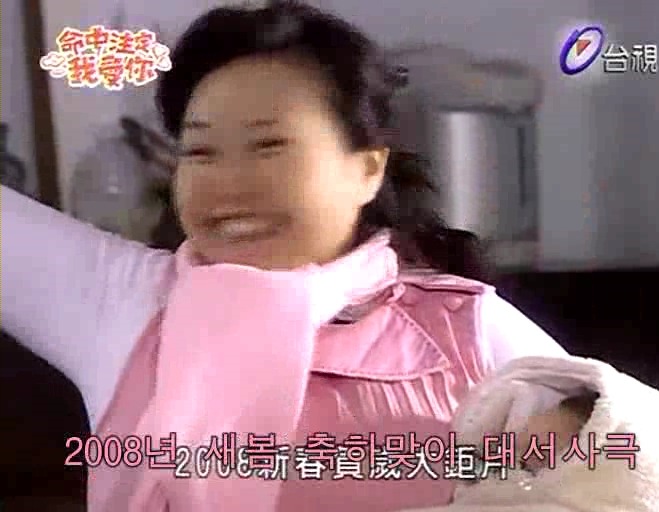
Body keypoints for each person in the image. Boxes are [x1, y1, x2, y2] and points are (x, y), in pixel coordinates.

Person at [2, 3, 588, 511]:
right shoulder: (128, 304)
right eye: (200, 151)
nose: (228, 184)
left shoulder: (464, 326)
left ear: (367, 169)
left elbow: (626, 461)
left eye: (268, 146)